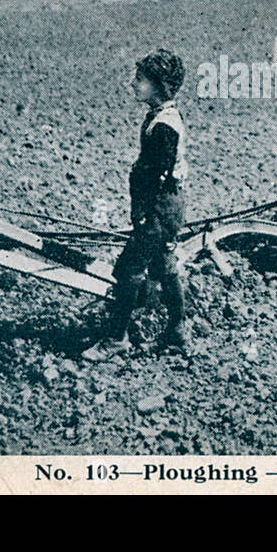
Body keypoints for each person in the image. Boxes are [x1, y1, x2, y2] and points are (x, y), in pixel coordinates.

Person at [83, 49, 191, 359]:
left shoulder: (164, 127)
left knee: (128, 270)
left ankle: (116, 338)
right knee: (165, 265)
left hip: (158, 207)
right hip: (168, 206)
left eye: (140, 79)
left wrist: (144, 216)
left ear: (159, 85)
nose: (133, 84)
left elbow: (158, 174)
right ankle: (177, 332)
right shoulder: (164, 117)